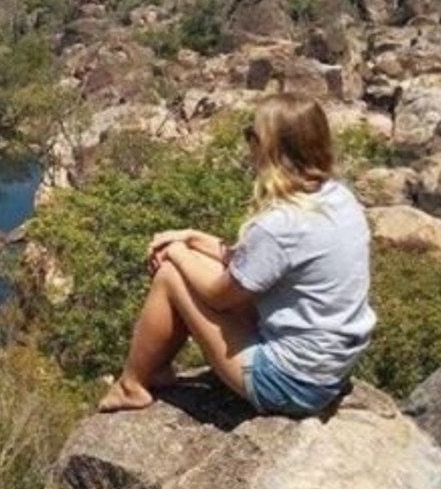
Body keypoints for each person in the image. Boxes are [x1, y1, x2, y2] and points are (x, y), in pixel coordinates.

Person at [97, 92, 376, 417]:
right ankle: (155, 368)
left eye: (251, 135)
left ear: (270, 148)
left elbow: (218, 297)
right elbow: (249, 263)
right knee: (190, 261)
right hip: (328, 370)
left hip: (289, 384)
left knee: (172, 274)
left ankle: (132, 384)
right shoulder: (338, 198)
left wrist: (176, 253)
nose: (247, 144)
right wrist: (190, 238)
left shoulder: (280, 225)